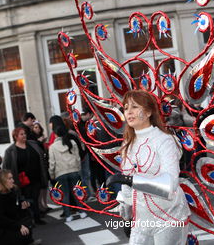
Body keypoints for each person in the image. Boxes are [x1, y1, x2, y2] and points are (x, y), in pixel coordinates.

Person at [106, 90, 190, 245]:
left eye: (135, 107)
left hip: (169, 215)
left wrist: (131, 180)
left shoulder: (165, 140)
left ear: (149, 111)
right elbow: (127, 188)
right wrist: (127, 217)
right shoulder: (128, 144)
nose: (129, 112)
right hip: (141, 219)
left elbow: (169, 184)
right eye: (125, 108)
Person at [0, 169, 41, 245]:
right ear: (2, 181)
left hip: (6, 225)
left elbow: (13, 213)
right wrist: (18, 226)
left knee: (27, 227)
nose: (13, 181)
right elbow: (0, 219)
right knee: (22, 233)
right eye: (9, 179)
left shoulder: (11, 192)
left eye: (12, 178)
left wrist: (22, 207)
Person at [3, 128, 48, 225]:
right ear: (15, 137)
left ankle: (37, 218)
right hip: (22, 180)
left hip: (36, 177)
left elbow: (41, 156)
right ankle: (29, 219)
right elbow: (6, 167)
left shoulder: (32, 144)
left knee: (35, 198)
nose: (24, 136)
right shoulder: (10, 151)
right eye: (21, 134)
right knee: (26, 199)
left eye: (24, 134)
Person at [48, 125, 87, 222]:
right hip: (73, 170)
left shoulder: (52, 147)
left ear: (55, 134)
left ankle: (68, 215)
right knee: (77, 192)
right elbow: (77, 158)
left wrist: (52, 174)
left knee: (65, 194)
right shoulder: (72, 143)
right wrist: (78, 169)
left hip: (60, 173)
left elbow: (52, 162)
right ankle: (82, 211)